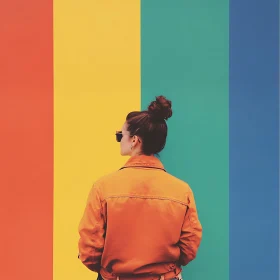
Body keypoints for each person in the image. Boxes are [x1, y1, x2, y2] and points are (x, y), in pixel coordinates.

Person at [78, 96, 202, 280]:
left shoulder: (103, 187)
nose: (119, 139)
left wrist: (109, 271)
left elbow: (89, 250)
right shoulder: (181, 191)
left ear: (134, 140)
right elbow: (189, 246)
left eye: (120, 135)